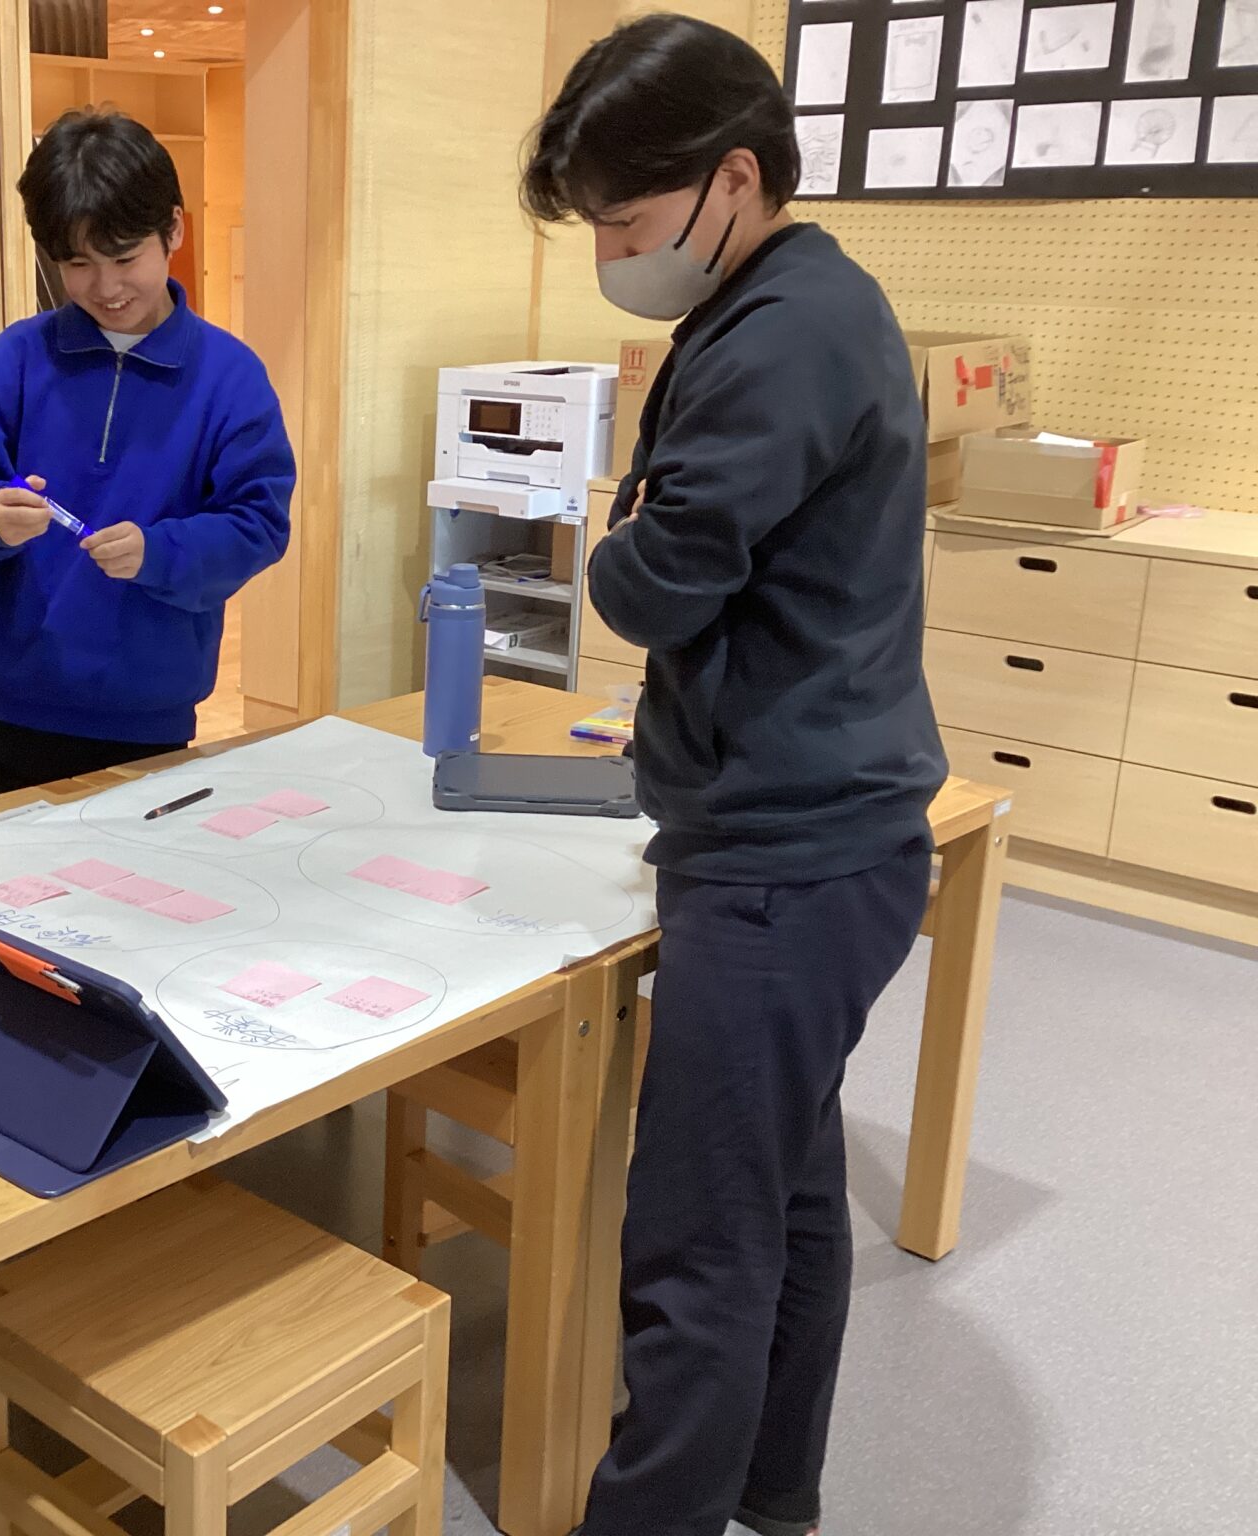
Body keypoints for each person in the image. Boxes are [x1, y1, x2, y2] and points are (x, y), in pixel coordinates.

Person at [520, 17, 946, 1536]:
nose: (611, 258)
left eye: (626, 222)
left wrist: (610, 542)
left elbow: (655, 580)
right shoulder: (797, 297)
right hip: (825, 830)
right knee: (788, 1190)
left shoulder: (779, 335)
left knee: (696, 1241)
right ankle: (775, 1488)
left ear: (735, 179)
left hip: (783, 858)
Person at [0, 108, 296, 802]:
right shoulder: (14, 360)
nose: (107, 287)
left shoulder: (229, 377)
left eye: (125, 258)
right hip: (2, 717)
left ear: (173, 230)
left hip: (146, 724)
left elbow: (258, 524)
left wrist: (160, 552)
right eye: (78, 264)